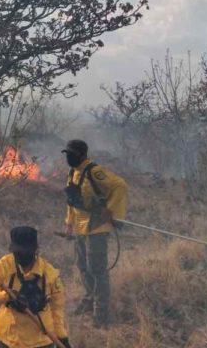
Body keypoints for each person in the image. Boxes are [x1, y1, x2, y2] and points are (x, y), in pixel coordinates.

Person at [62, 139, 127, 328]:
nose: (68, 157)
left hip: (97, 227)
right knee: (82, 266)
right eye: (67, 154)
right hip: (80, 228)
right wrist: (68, 224)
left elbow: (120, 186)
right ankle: (89, 299)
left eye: (72, 154)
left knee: (97, 270)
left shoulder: (94, 172)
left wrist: (111, 210)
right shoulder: (72, 173)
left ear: (82, 155)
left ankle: (101, 315)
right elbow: (71, 202)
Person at [0, 226, 70, 348]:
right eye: (17, 252)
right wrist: (8, 296)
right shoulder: (3, 266)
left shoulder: (49, 274)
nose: (20, 255)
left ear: (35, 250)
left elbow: (57, 308)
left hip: (41, 341)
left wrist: (61, 336)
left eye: (24, 252)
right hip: (10, 339)